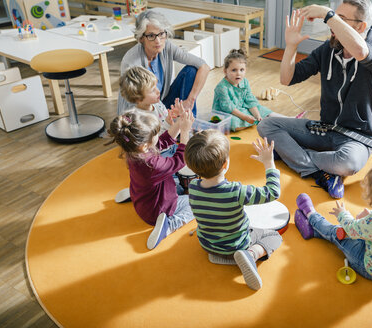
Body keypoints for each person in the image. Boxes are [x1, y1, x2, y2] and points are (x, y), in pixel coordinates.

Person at [257, 0, 372, 199]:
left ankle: (293, 156)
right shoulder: (328, 49)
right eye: (334, 18)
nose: (332, 25)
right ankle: (320, 172)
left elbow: (361, 51)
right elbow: (286, 79)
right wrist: (291, 46)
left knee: (348, 163)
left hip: (356, 138)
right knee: (267, 126)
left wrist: (328, 13)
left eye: (341, 19)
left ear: (361, 26)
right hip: (324, 128)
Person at [184, 131, 282, 290]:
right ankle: (251, 254)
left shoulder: (193, 187)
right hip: (237, 245)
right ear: (225, 164)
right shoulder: (237, 192)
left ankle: (221, 256)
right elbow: (272, 192)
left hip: (207, 244)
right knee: (274, 236)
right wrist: (269, 163)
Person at [294, 158, 372, 280]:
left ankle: (312, 216)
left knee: (338, 233)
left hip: (370, 269)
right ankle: (314, 232)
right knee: (352, 232)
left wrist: (342, 214)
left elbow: (351, 229)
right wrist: (370, 216)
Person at [107, 100, 195, 250]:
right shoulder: (152, 165)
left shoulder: (134, 150)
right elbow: (180, 160)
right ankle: (169, 225)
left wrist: (180, 123)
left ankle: (136, 193)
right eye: (154, 133)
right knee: (195, 202)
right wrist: (185, 132)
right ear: (145, 145)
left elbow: (161, 142)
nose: (157, 135)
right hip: (156, 211)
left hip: (143, 200)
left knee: (176, 185)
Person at [117, 9, 211, 116]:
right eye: (151, 36)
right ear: (141, 38)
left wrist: (190, 100)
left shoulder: (167, 46)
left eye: (161, 34)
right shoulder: (131, 62)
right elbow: (135, 103)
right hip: (142, 112)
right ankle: (182, 126)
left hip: (160, 104)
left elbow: (204, 66)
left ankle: (189, 121)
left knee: (191, 70)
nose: (158, 41)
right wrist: (167, 115)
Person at [213, 49, 285, 131]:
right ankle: (263, 122)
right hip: (226, 113)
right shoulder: (222, 87)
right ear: (225, 71)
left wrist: (257, 115)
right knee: (233, 122)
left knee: (261, 109)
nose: (238, 73)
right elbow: (228, 108)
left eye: (241, 70)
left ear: (245, 70)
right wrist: (245, 117)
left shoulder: (244, 82)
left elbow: (250, 100)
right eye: (234, 70)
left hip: (241, 109)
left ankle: (289, 119)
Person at [119, 66, 174, 134]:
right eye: (152, 90)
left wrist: (174, 115)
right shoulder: (138, 119)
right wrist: (168, 124)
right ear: (138, 98)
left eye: (156, 86)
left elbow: (167, 119)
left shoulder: (158, 103)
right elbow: (155, 141)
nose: (158, 91)